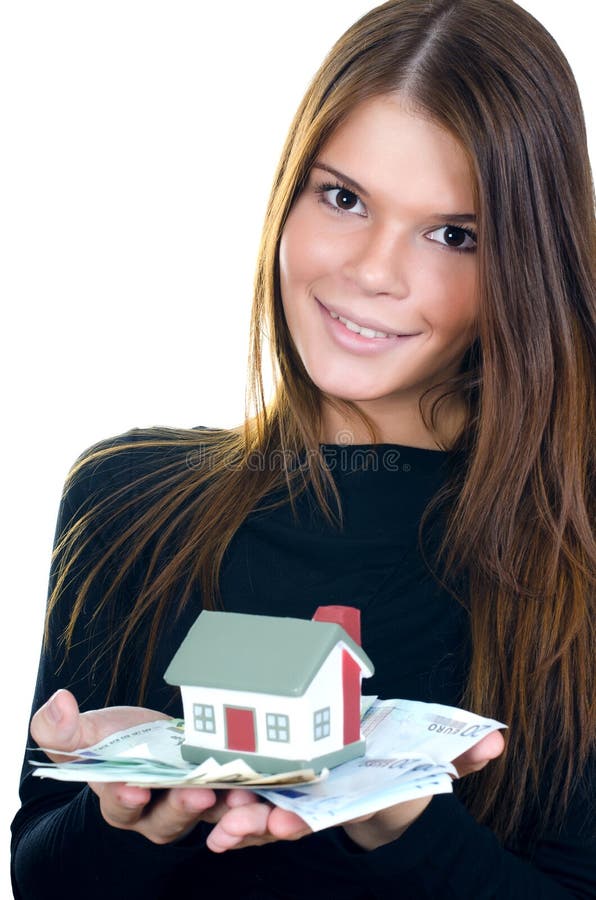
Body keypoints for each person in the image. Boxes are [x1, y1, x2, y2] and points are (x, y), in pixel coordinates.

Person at [11, 0, 595, 897]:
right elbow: (43, 875)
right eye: (344, 197)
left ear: (527, 261)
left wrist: (398, 819)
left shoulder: (576, 551)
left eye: (454, 234)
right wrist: (126, 805)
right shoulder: (122, 499)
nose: (371, 271)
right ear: (291, 194)